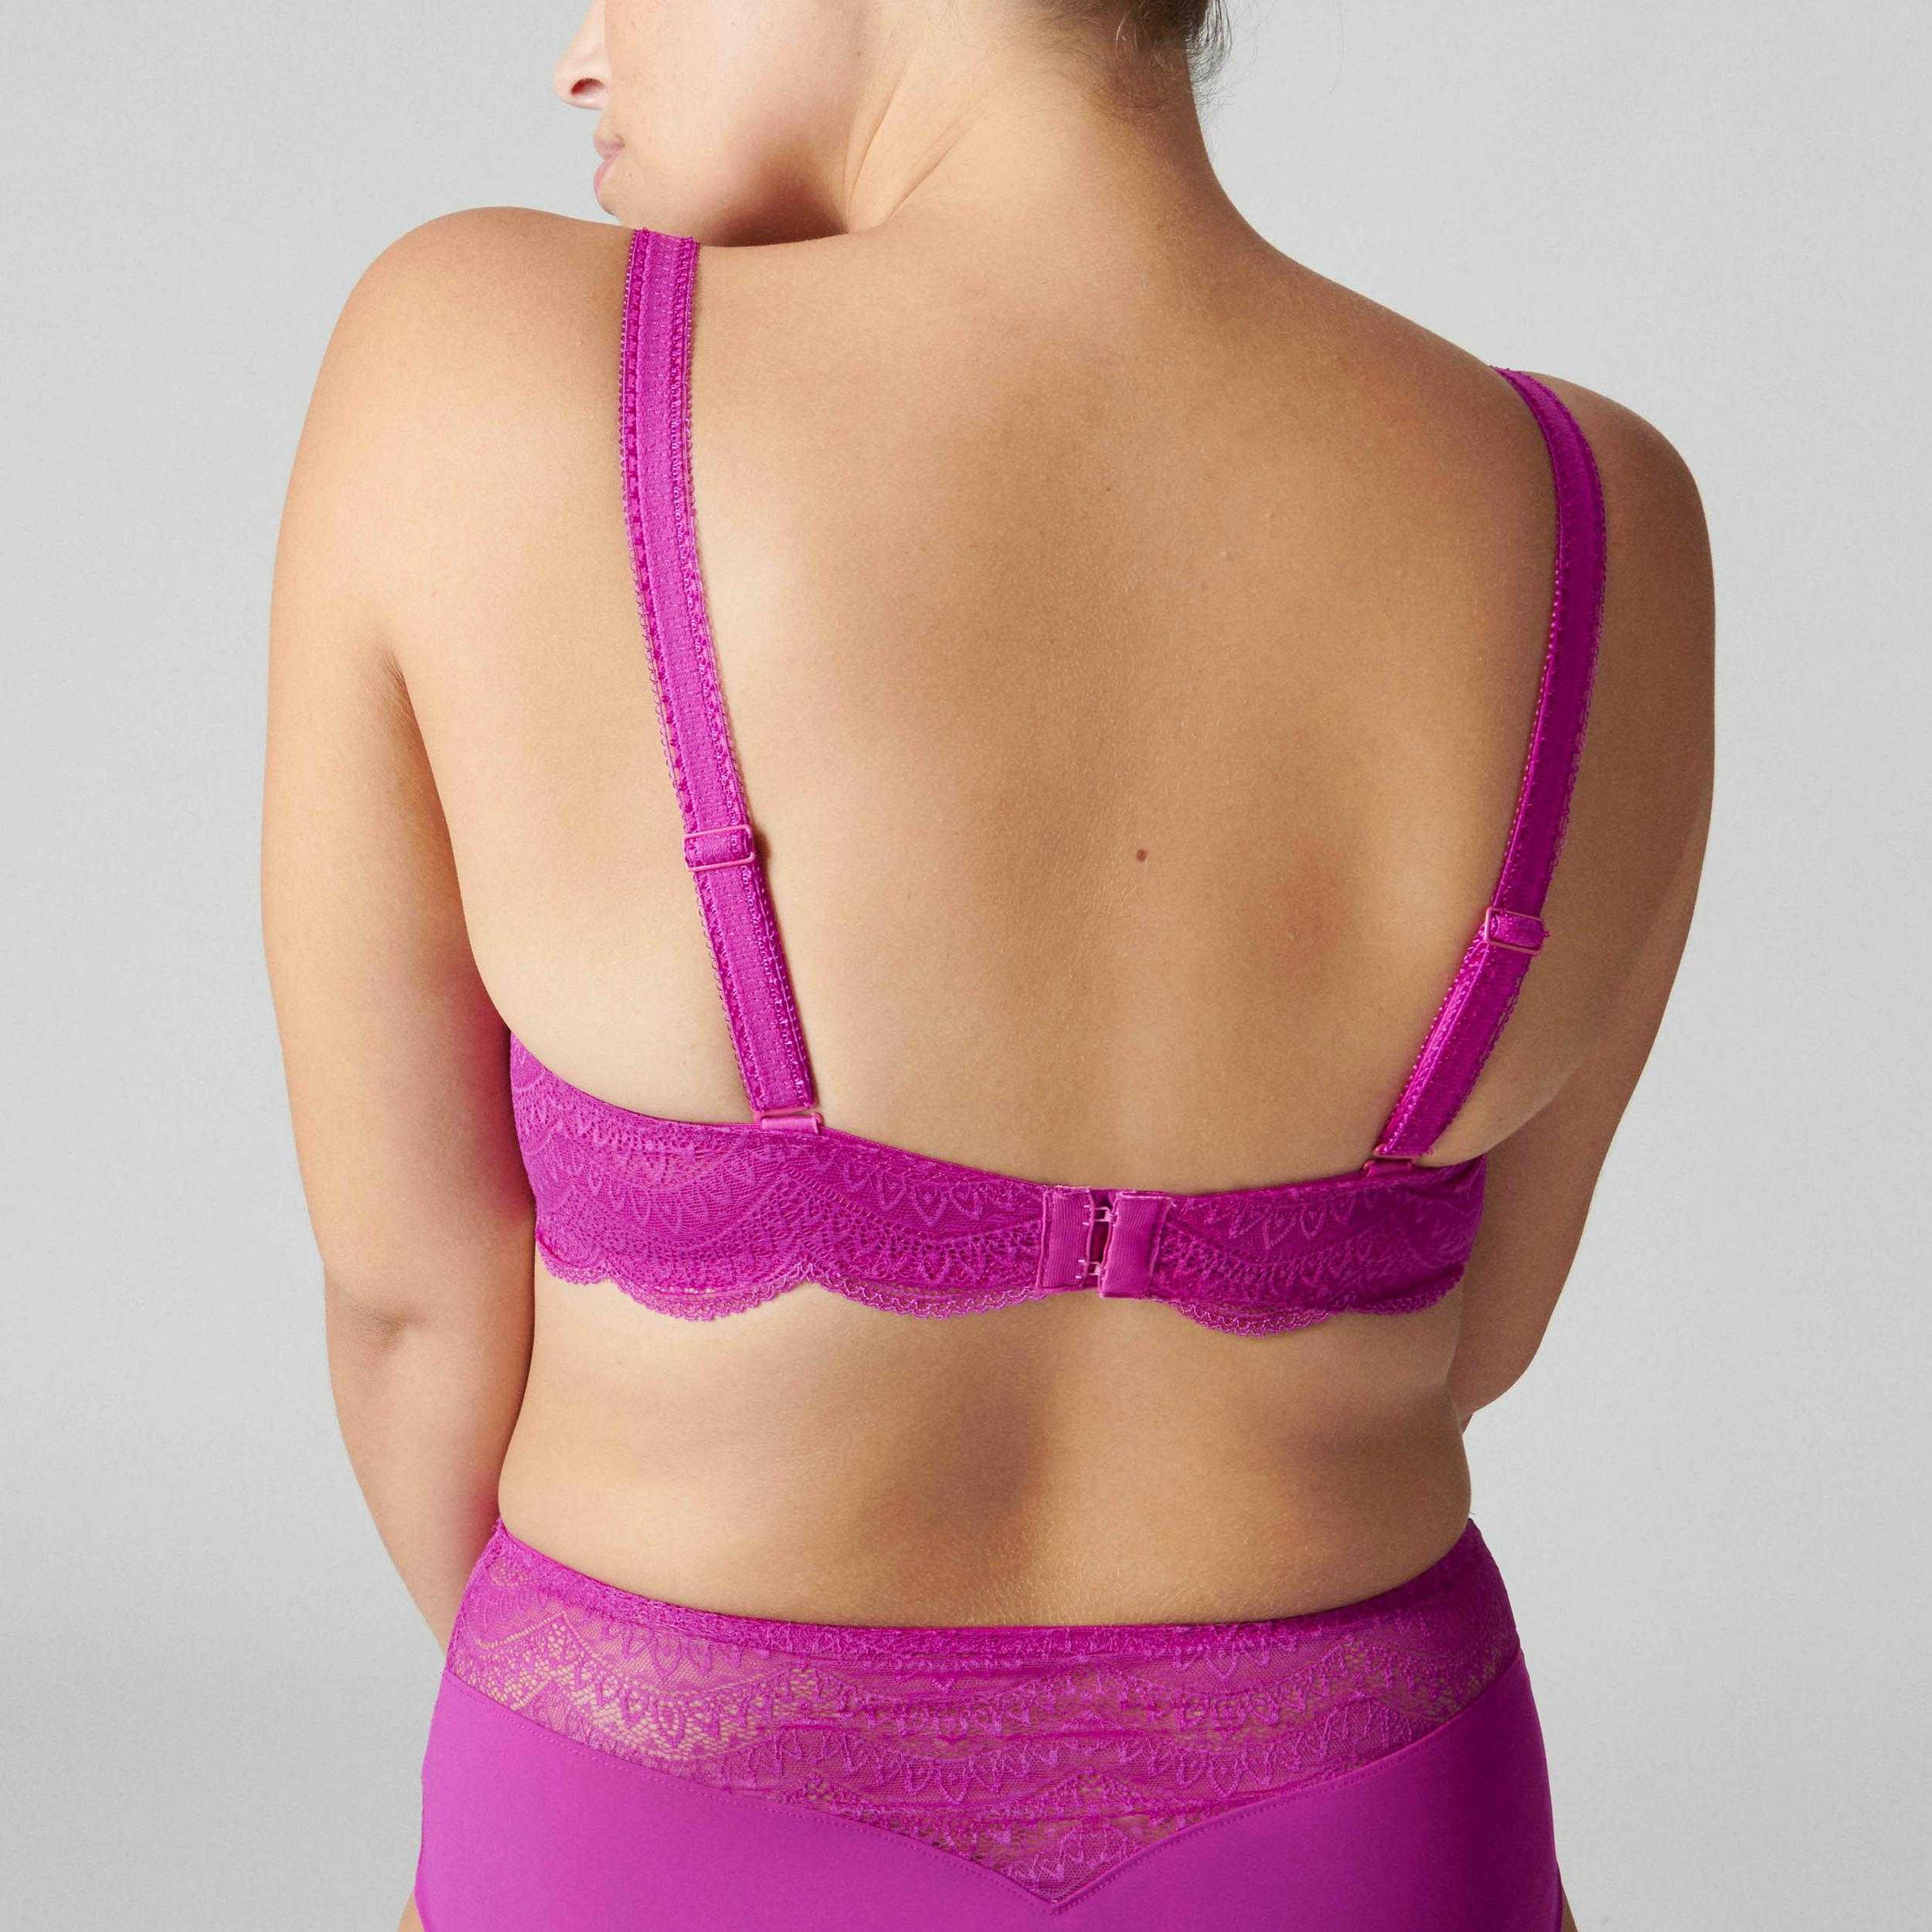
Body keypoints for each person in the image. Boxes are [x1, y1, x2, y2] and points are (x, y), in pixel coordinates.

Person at [262, 0, 1713, 1925]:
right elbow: (1473, 1339)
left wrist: (609, 1757)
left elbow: (409, 1315)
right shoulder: (1600, 508)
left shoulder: (477, 356)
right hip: (1370, 1825)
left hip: (653, 1815)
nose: (580, 58)